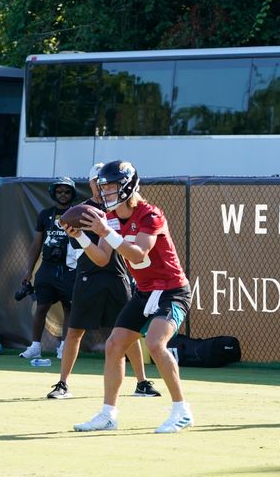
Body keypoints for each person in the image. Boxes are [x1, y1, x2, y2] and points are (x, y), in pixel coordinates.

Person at [63, 160, 194, 434]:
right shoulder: (109, 217)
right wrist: (82, 239)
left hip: (172, 290)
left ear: (128, 187)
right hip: (145, 292)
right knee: (114, 345)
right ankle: (108, 414)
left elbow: (138, 254)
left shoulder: (150, 215)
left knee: (157, 343)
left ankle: (182, 410)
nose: (105, 193)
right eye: (103, 187)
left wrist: (105, 231)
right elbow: (101, 259)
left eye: (111, 187)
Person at [47, 163, 161, 399]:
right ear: (91, 184)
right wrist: (75, 232)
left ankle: (142, 382)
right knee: (75, 330)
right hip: (88, 274)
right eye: (100, 183)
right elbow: (95, 252)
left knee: (130, 332)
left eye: (109, 183)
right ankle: (62, 383)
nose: (105, 188)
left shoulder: (123, 208)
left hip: (118, 273)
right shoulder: (81, 210)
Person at [19, 177, 77, 359]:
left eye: (67, 192)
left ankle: (64, 347)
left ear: (72, 194)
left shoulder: (78, 214)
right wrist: (28, 271)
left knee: (69, 308)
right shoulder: (45, 214)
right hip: (47, 268)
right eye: (59, 191)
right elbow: (36, 245)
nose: (63, 195)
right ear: (53, 193)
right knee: (41, 306)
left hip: (70, 268)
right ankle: (35, 346)